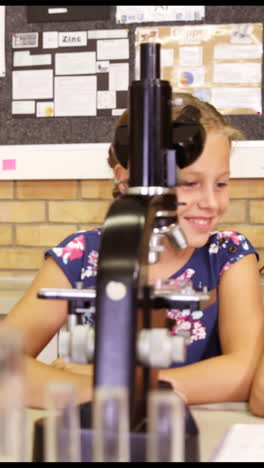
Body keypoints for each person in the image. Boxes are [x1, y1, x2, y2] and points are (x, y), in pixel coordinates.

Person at [2, 93, 263, 409]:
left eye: (221, 184)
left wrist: (115, 384)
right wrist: (117, 394)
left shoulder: (228, 255)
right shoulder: (81, 256)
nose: (211, 202)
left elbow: (244, 371)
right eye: (190, 183)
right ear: (127, 182)